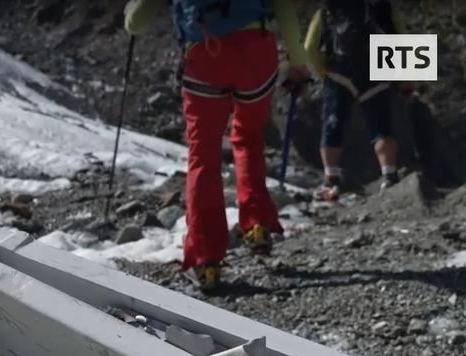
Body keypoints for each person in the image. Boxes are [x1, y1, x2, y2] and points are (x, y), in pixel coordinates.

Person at [124, 0, 311, 291]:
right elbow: (285, 8)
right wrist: (298, 61)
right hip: (257, 52)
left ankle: (206, 259)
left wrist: (129, 15)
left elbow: (136, 21)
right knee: (249, 138)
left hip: (205, 56)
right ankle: (257, 222)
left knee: (203, 154)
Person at [304, 0, 407, 201]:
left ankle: (331, 180)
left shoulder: (327, 9)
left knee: (332, 126)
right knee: (381, 127)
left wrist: (321, 72)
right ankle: (390, 175)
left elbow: (309, 47)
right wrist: (405, 79)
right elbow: (401, 37)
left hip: (338, 74)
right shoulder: (384, 6)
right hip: (376, 72)